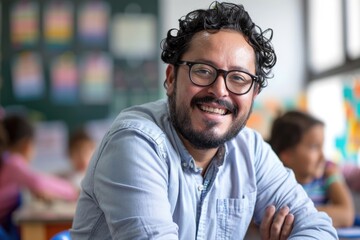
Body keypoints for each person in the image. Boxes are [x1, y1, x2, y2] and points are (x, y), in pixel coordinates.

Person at [71, 2, 338, 239]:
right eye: (203, 71)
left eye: (238, 78)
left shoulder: (251, 150)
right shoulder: (135, 142)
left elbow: (318, 229)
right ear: (171, 78)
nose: (220, 91)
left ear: (254, 93)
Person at [268, 110, 355, 228]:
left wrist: (334, 177)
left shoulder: (328, 176)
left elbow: (347, 216)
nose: (323, 156)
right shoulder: (277, 185)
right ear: (287, 155)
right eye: (314, 147)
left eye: (322, 146)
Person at [0, 114, 79, 240]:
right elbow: (38, 182)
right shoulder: (13, 161)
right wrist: (74, 191)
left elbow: (37, 183)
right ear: (26, 144)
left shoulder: (7, 161)